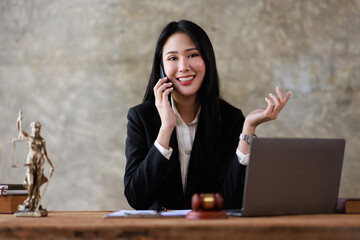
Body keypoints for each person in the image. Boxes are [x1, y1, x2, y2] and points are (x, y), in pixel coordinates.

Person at [124, 20, 291, 210]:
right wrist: (165, 129)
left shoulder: (230, 119)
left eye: (192, 55)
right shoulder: (141, 118)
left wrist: (248, 129)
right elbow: (137, 198)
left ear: (207, 60)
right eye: (172, 58)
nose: (183, 66)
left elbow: (231, 202)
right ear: (161, 67)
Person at [16, 111, 54, 211]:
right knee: (31, 183)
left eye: (38, 127)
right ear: (31, 128)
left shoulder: (42, 140)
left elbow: (46, 154)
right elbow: (20, 130)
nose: (36, 129)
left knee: (37, 185)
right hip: (30, 161)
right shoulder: (29, 137)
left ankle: (35, 201)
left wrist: (52, 166)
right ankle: (29, 199)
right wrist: (19, 120)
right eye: (34, 127)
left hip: (40, 162)